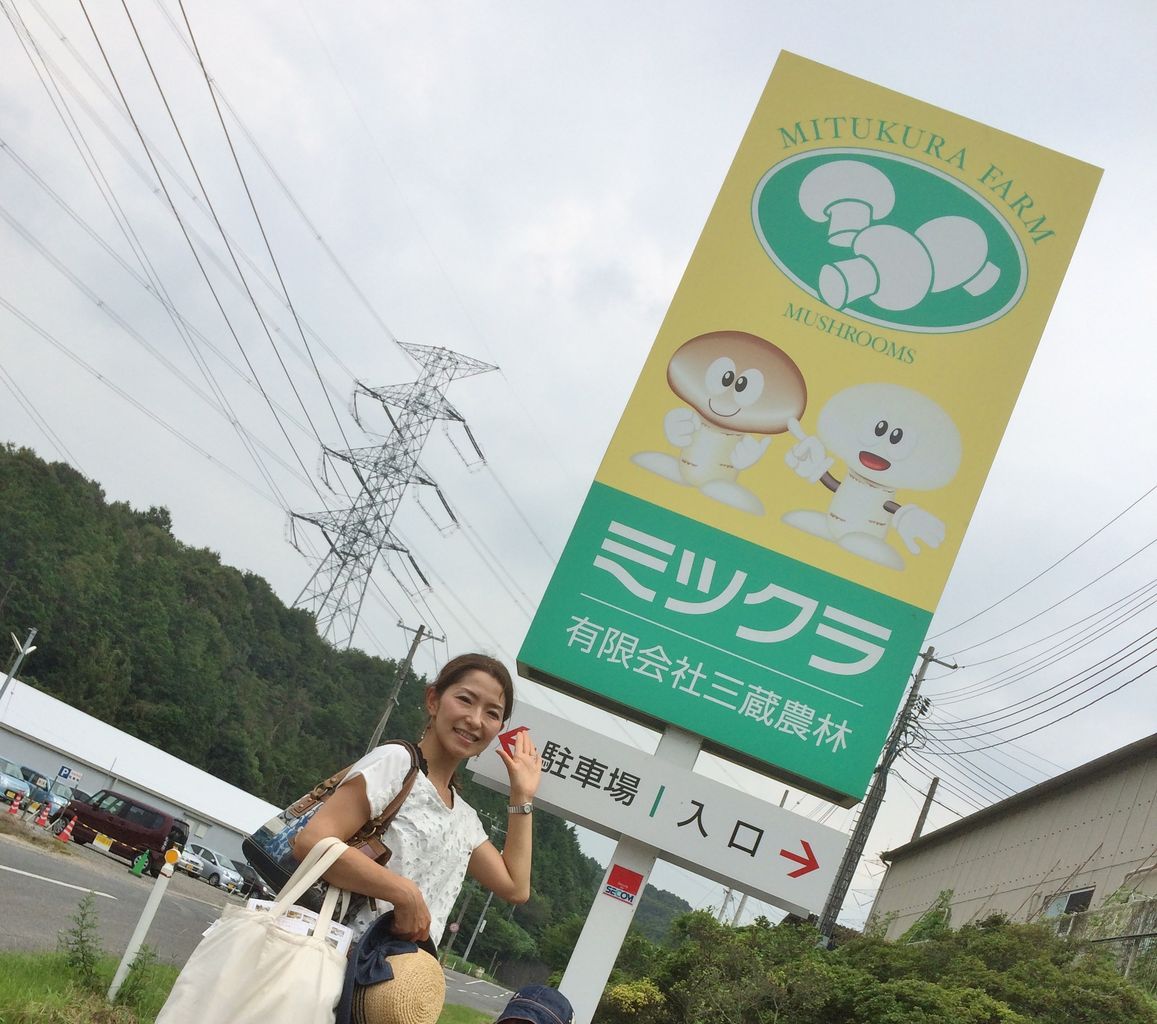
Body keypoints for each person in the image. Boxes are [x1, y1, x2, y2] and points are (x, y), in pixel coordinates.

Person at [293, 652, 541, 947]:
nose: (475, 720)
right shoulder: (395, 763)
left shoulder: (463, 819)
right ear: (433, 700)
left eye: (492, 713)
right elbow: (311, 843)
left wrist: (521, 794)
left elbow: (515, 887)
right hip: (328, 959)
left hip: (389, 984)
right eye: (465, 699)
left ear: (499, 729)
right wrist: (403, 893)